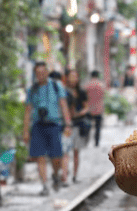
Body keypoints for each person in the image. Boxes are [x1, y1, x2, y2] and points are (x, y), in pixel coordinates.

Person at [23, 64, 71, 194]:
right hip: (38, 125)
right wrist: (26, 130)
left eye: (43, 72)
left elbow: (64, 105)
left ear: (47, 72)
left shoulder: (56, 86)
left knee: (56, 157)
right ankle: (45, 185)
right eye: (38, 73)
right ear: (35, 75)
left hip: (54, 124)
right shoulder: (32, 89)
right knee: (40, 157)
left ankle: (55, 174)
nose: (40, 75)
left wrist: (68, 124)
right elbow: (28, 111)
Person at [64, 68, 90, 183]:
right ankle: (65, 175)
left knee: (75, 151)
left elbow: (86, 106)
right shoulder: (63, 91)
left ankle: (74, 176)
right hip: (66, 125)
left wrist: (79, 113)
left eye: (75, 76)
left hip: (78, 124)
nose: (73, 79)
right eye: (71, 76)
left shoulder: (81, 92)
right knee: (65, 151)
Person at [86, 70, 106, 147]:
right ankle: (96, 142)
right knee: (98, 127)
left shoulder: (88, 85)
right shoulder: (101, 85)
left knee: (88, 125)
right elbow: (103, 95)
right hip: (99, 108)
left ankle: (87, 141)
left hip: (89, 108)